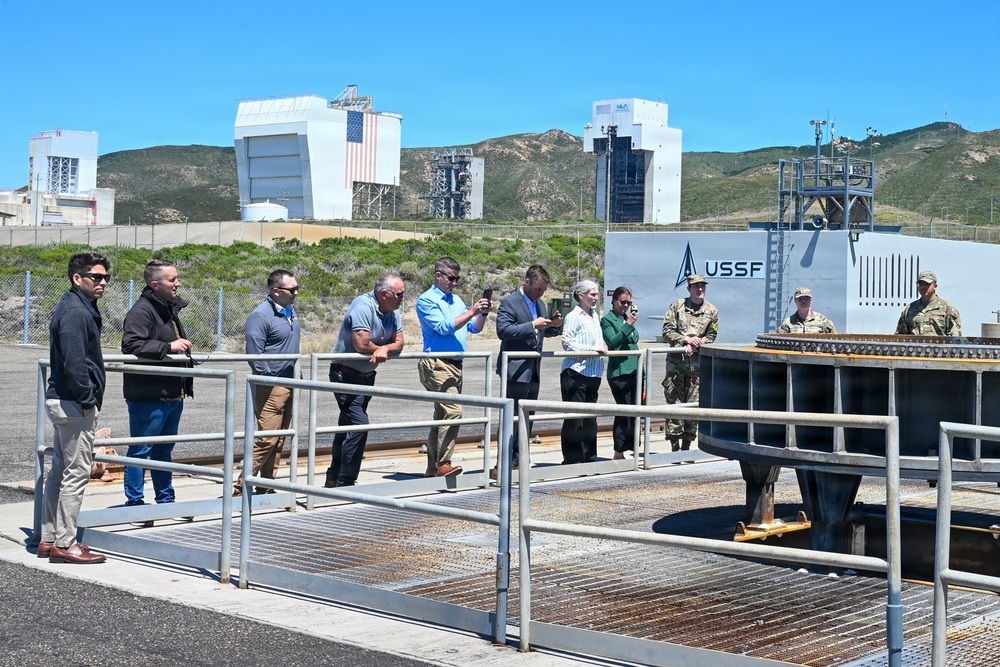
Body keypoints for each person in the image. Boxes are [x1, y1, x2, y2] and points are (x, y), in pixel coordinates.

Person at [36, 253, 111, 564]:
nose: (103, 282)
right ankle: (66, 544)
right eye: (96, 277)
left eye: (106, 277)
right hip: (72, 402)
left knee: (58, 473)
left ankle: (48, 539)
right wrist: (87, 398)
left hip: (64, 400)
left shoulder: (76, 307)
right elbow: (75, 361)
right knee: (76, 473)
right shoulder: (75, 313)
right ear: (77, 278)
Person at [121, 259, 193, 511]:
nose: (178, 283)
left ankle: (165, 500)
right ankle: (135, 503)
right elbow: (131, 345)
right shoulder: (142, 311)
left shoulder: (166, 308)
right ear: (155, 284)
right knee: (141, 450)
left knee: (163, 452)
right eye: (172, 279)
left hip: (171, 393)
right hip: (149, 395)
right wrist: (168, 347)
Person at [324, 273, 405, 488]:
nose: (402, 298)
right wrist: (384, 348)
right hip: (345, 374)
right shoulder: (362, 306)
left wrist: (385, 348)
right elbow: (361, 343)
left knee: (347, 426)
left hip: (367, 376)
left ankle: (333, 476)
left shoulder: (392, 312)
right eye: (399, 294)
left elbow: (400, 343)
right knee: (359, 425)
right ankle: (346, 482)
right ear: (384, 294)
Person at [416, 257, 491, 478]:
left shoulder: (456, 300)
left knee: (442, 414)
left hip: (455, 365)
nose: (454, 282)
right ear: (438, 275)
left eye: (457, 279)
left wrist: (482, 314)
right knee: (453, 411)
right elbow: (443, 327)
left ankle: (433, 469)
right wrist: (472, 311)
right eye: (451, 278)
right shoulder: (426, 300)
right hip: (437, 364)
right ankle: (444, 463)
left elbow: (474, 329)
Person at [493, 265, 563, 478]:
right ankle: (503, 463)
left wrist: (554, 326)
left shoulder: (540, 303)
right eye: (538, 289)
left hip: (533, 369)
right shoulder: (510, 302)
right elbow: (503, 331)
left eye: (543, 290)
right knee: (511, 417)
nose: (541, 294)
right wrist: (533, 324)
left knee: (526, 417)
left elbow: (542, 333)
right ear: (527, 283)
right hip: (516, 369)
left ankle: (520, 458)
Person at [236, 269, 301, 496]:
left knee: (280, 437)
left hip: (290, 381)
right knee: (268, 437)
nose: (296, 293)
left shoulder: (289, 312)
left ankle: (267, 484)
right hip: (272, 385)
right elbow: (255, 354)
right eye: (291, 290)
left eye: (296, 289)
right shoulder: (260, 316)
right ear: (276, 291)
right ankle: (240, 486)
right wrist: (269, 379)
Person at [661, 274, 719, 453]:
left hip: (697, 368)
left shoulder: (712, 311)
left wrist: (698, 343)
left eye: (702, 286)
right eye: (696, 286)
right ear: (689, 289)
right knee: (675, 404)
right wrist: (684, 340)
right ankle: (674, 445)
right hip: (676, 366)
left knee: (694, 407)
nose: (700, 289)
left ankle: (687, 446)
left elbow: (711, 336)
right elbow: (667, 330)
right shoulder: (677, 306)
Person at [560, 280, 607, 464]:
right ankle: (572, 460)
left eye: (597, 295)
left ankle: (589, 457)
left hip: (593, 373)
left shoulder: (594, 315)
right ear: (581, 295)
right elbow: (567, 342)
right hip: (576, 372)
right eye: (592, 294)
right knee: (575, 419)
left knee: (590, 418)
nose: (596, 298)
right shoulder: (574, 316)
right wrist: (591, 349)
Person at [601, 286, 640, 460]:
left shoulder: (625, 318)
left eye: (628, 302)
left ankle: (633, 448)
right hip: (619, 372)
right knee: (624, 412)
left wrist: (643, 374)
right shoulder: (607, 320)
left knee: (635, 412)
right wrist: (628, 324)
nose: (625, 305)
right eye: (622, 302)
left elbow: (634, 343)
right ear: (614, 301)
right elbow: (613, 342)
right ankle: (619, 451)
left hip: (634, 371)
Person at [895, 270, 962, 336]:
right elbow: (900, 336)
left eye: (926, 284)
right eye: (920, 284)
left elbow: (955, 337)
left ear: (935, 286)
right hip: (916, 347)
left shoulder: (947, 308)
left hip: (938, 346)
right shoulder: (910, 308)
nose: (922, 287)